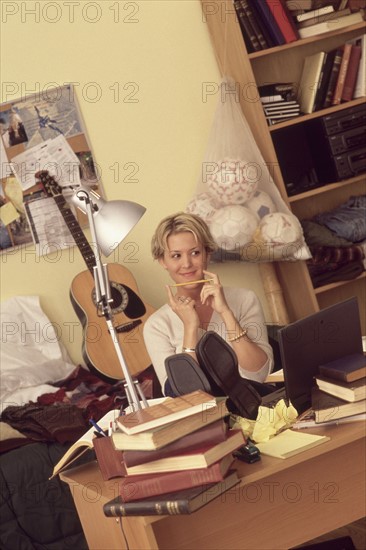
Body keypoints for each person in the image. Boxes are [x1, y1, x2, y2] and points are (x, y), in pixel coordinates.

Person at [143, 212, 274, 396]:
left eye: (195, 253)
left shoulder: (245, 299)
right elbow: (184, 394)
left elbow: (259, 374)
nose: (187, 263)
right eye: (176, 256)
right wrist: (190, 328)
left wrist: (226, 313)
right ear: (162, 261)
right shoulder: (156, 326)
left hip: (256, 406)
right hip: (208, 420)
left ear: (208, 254)